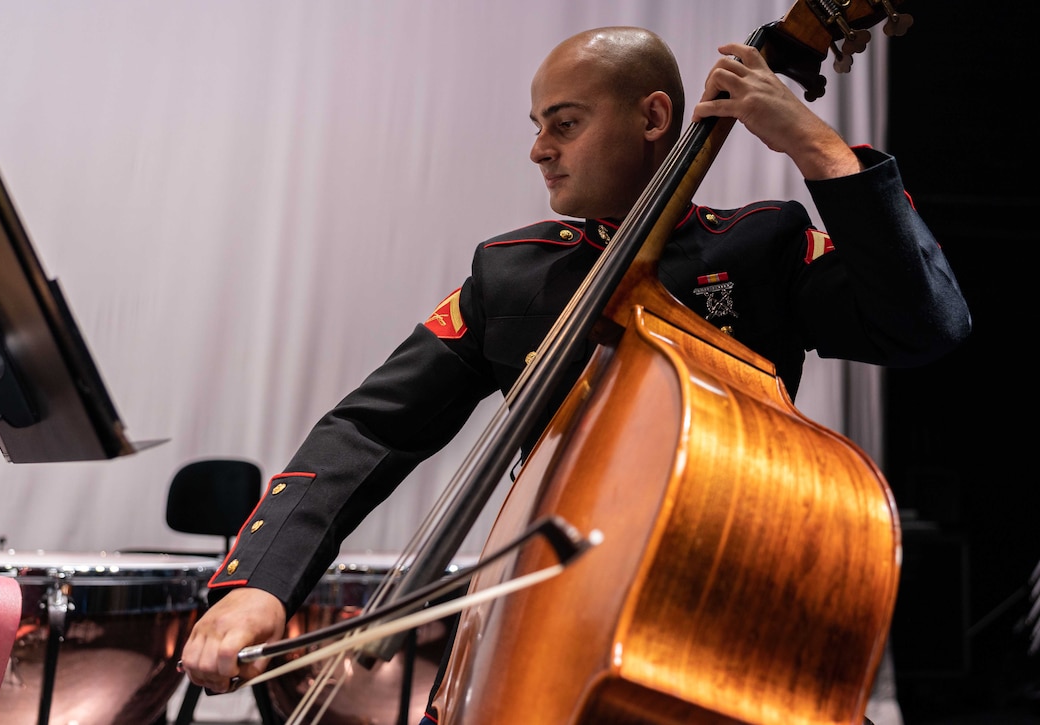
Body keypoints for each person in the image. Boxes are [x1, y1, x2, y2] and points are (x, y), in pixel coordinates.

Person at [179, 25, 971, 721]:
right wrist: (260, 583)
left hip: (720, 625)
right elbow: (370, 426)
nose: (538, 148)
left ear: (654, 118)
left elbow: (925, 324)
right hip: (537, 631)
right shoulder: (512, 274)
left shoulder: (758, 247)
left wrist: (818, 148)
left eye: (565, 123)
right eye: (536, 126)